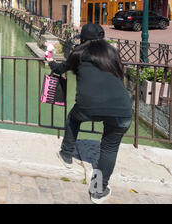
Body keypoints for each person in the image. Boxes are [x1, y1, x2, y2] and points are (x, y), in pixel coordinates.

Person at [46, 23, 132, 204]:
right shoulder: (112, 52)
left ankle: (66, 154)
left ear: (83, 39)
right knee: (109, 148)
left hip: (88, 108)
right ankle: (98, 190)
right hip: (122, 109)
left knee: (73, 118)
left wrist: (50, 62)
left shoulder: (79, 53)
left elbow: (60, 69)